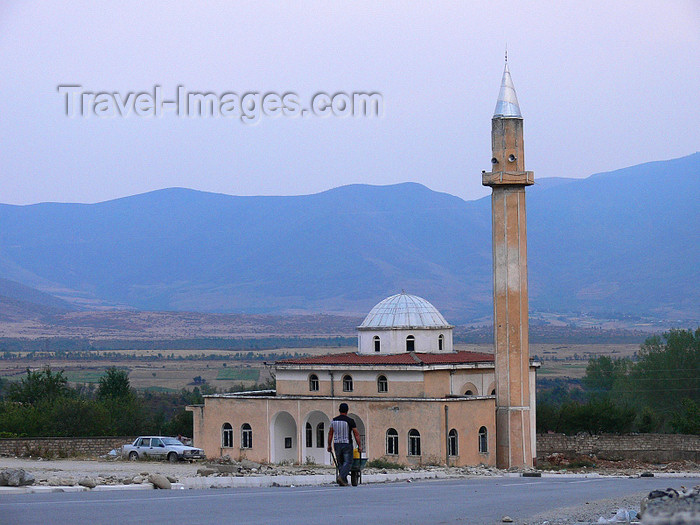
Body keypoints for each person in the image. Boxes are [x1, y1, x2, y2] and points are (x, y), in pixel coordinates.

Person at [327, 402, 361, 486]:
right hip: (347, 444)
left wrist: (329, 445)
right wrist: (359, 445)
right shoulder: (350, 421)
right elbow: (356, 433)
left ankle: (343, 480)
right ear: (347, 411)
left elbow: (330, 433)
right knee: (348, 462)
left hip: (337, 444)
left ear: (339, 410)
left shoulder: (334, 421)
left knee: (340, 462)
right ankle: (341, 477)